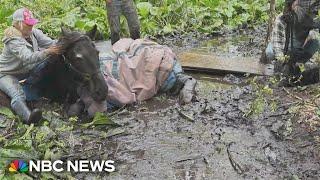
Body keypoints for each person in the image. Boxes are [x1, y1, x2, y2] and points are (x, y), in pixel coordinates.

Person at [0, 8, 62, 124]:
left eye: (31, 24)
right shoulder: (13, 40)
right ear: (18, 24)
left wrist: (66, 43)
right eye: (27, 24)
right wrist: (47, 51)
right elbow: (27, 58)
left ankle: (35, 92)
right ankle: (28, 118)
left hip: (25, 70)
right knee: (17, 95)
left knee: (50, 62)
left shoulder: (33, 33)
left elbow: (51, 43)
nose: (30, 26)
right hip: (6, 73)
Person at [265, 0, 320, 85]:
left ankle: (298, 63)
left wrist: (304, 46)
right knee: (270, 52)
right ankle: (287, 65)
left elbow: (314, 31)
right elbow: (277, 42)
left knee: (316, 41)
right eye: (295, 3)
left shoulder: (303, 16)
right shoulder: (281, 19)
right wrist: (282, 59)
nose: (297, 5)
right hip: (283, 45)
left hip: (298, 44)